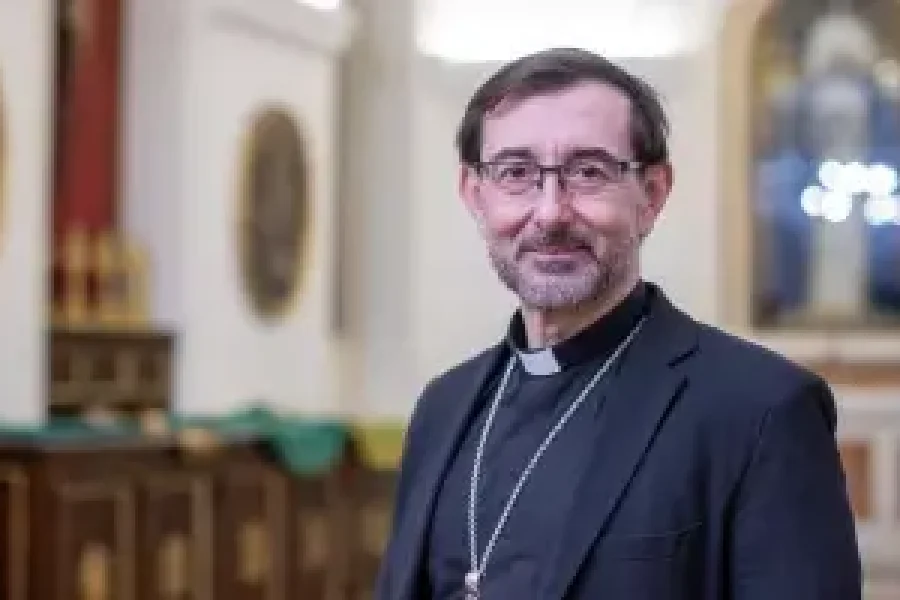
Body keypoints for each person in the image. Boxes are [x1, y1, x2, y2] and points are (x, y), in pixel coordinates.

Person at [375, 47, 862, 600]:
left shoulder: (761, 410)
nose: (551, 212)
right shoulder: (442, 408)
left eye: (588, 172)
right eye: (516, 173)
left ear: (652, 194)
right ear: (475, 194)